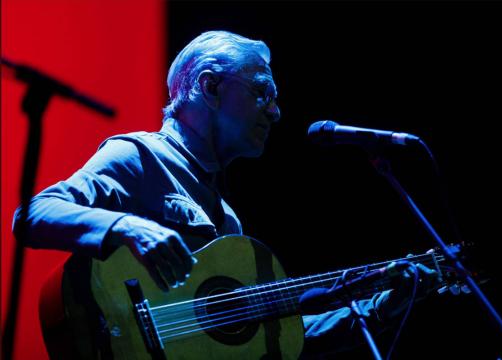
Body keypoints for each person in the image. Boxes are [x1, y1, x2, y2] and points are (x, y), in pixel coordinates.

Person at [13, 30, 440, 358]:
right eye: (262, 92)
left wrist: (383, 305)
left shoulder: (228, 221)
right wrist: (127, 227)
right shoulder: (139, 155)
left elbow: (277, 336)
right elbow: (33, 215)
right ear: (211, 87)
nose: (275, 112)